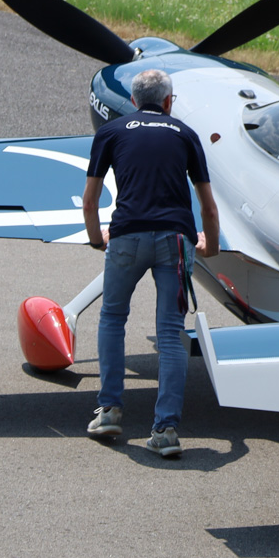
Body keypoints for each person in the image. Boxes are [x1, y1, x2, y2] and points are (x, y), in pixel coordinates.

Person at [80, 68, 220, 459]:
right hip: (174, 240)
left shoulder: (110, 133)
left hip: (126, 235)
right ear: (169, 101)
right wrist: (210, 247)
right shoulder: (186, 135)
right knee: (171, 330)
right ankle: (165, 429)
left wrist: (97, 239)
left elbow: (90, 201)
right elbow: (208, 206)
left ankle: (109, 410)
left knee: (112, 317)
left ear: (134, 101)